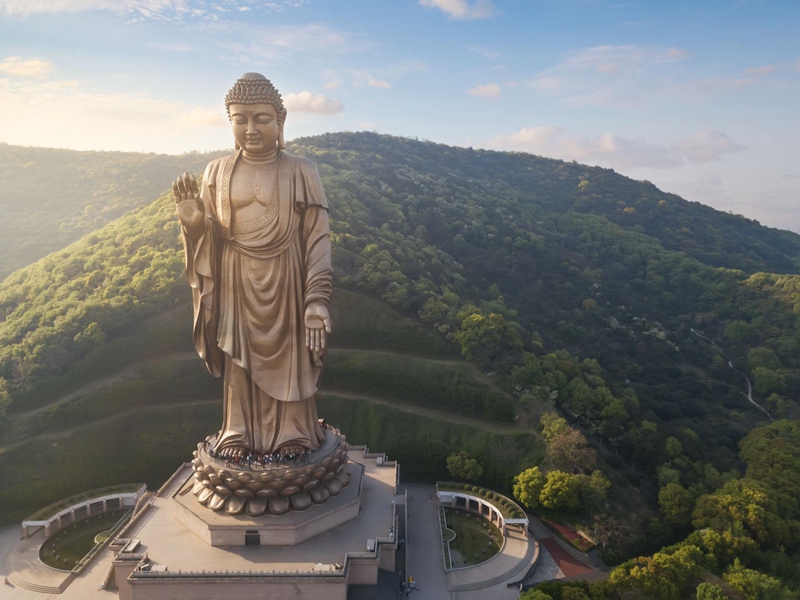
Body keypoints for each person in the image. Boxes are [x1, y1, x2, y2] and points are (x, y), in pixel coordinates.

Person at [174, 73, 333, 459]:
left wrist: (316, 300)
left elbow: (317, 238)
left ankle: (295, 433)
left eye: (261, 118)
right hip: (233, 281)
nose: (251, 128)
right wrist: (194, 223)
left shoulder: (301, 170)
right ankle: (238, 432)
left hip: (288, 281)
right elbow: (210, 236)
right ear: (229, 122)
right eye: (240, 119)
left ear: (280, 121)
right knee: (238, 364)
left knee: (290, 356)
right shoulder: (217, 171)